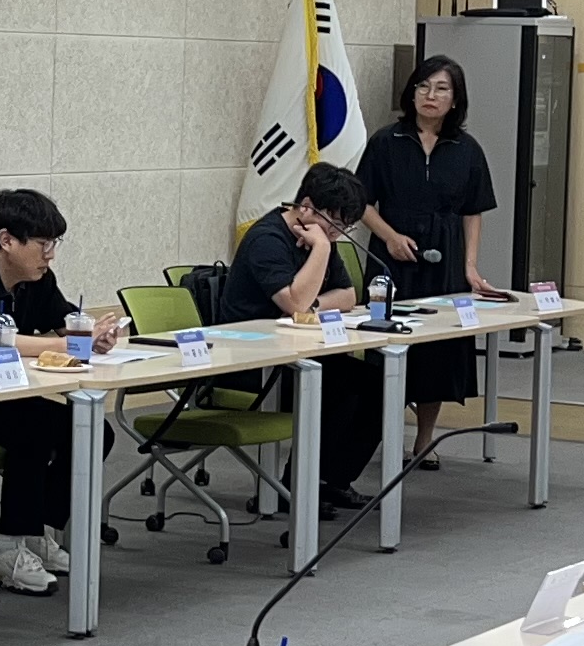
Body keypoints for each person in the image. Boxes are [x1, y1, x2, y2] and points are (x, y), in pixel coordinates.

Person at [0, 187, 130, 597]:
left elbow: (66, 321)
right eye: (43, 244)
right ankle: (10, 549)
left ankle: (37, 534)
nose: (50, 255)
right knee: (32, 430)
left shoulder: (36, 278)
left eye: (55, 244)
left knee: (92, 430)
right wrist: (66, 344)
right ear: (7, 240)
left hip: (1, 395)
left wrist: (93, 335)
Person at [356, 55, 509, 467]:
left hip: (445, 259)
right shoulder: (386, 141)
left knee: (437, 352)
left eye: (442, 88)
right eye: (423, 86)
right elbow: (361, 202)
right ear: (411, 93)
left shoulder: (467, 149)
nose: (430, 95)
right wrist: (389, 237)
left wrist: (470, 266)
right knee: (387, 346)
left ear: (455, 99)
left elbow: (473, 212)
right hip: (392, 260)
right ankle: (376, 436)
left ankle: (424, 439)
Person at [215, 161, 380, 497]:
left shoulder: (320, 234)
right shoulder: (267, 239)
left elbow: (348, 296)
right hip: (251, 362)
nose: (337, 233)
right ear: (306, 206)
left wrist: (312, 304)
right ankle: (300, 486)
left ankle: (332, 480)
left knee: (378, 385)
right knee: (339, 386)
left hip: (294, 355)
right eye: (334, 223)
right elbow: (295, 304)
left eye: (345, 226)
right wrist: (321, 250)